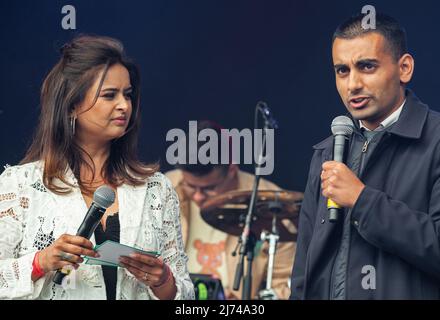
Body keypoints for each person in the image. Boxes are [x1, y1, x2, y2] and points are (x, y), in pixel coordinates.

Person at [0, 35, 194, 300]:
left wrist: (163, 281)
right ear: (71, 106)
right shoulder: (19, 185)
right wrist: (40, 262)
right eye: (109, 95)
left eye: (128, 95)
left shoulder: (157, 189)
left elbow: (186, 295)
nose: (124, 105)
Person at [290, 12, 440, 299]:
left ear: (404, 68)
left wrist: (362, 201)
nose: (352, 84)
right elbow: (304, 270)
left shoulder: (435, 141)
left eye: (366, 66)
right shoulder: (327, 152)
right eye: (342, 71)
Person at [166, 120, 296, 299]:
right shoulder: (164, 190)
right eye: (190, 186)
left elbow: (285, 284)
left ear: (232, 169)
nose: (197, 196)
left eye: (209, 188)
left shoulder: (273, 206)